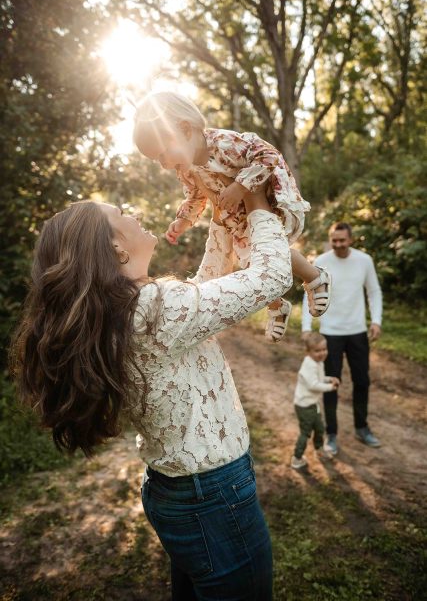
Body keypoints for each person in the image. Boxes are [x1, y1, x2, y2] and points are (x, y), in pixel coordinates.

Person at [11, 188, 293, 600]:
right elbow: (271, 277)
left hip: (179, 491)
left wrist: (219, 217)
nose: (134, 213)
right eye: (121, 212)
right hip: (214, 496)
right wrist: (256, 204)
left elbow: (204, 293)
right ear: (115, 246)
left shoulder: (126, 309)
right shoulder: (154, 307)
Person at [133, 91, 331, 342]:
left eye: (162, 154)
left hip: (267, 202)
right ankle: (277, 306)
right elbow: (195, 196)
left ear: (184, 130)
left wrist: (240, 186)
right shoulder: (185, 168)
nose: (162, 164)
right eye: (156, 160)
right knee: (252, 264)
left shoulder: (224, 144)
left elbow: (268, 156)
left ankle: (314, 277)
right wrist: (183, 220)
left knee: (272, 252)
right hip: (238, 219)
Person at [301, 221, 383, 455]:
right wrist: (306, 327)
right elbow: (310, 293)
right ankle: (332, 434)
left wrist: (376, 321)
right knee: (330, 385)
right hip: (330, 334)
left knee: (362, 382)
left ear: (351, 239)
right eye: (334, 240)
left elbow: (374, 292)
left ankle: (362, 428)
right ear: (330, 239)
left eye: (342, 240)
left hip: (357, 332)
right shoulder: (321, 261)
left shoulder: (364, 260)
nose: (337, 244)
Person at [291, 332, 339, 470]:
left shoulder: (318, 362)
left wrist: (329, 379)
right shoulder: (308, 365)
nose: (322, 353)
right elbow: (313, 385)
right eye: (317, 351)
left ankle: (319, 449)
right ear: (308, 351)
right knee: (305, 433)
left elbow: (319, 378)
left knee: (320, 428)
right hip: (304, 405)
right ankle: (297, 458)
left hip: (313, 404)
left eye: (324, 349)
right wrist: (331, 387)